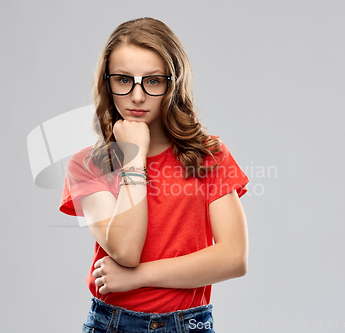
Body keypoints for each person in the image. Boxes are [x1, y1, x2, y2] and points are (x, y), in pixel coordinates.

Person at [59, 17, 250, 333]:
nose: (136, 96)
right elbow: (126, 249)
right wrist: (133, 158)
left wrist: (138, 277)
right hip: (113, 324)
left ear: (172, 83)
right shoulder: (87, 166)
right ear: (106, 83)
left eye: (152, 81)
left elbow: (233, 257)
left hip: (189, 324)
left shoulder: (208, 155)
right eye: (123, 80)